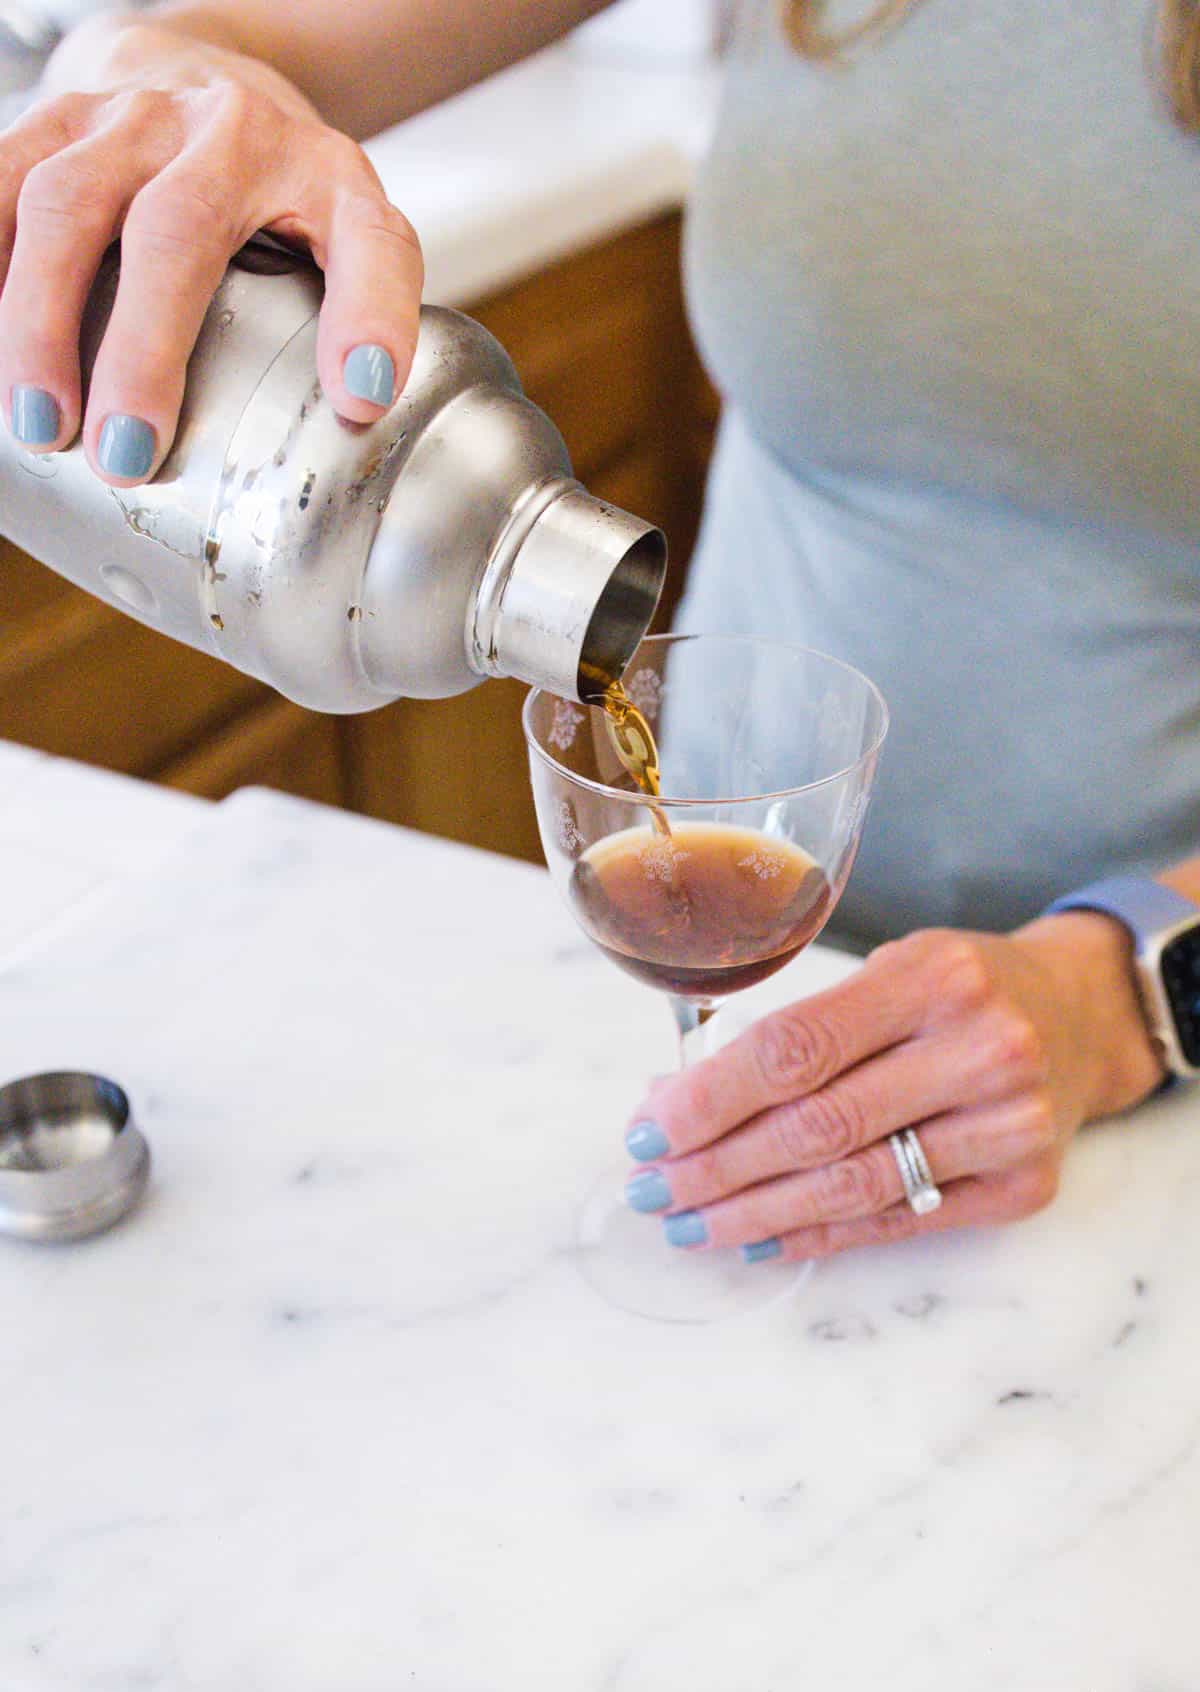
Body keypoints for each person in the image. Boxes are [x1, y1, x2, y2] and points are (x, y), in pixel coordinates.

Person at [1, 0, 1196, 1264]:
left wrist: (1124, 992)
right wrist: (166, 86)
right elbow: (208, 39)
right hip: (775, 955)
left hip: (1137, 1076)